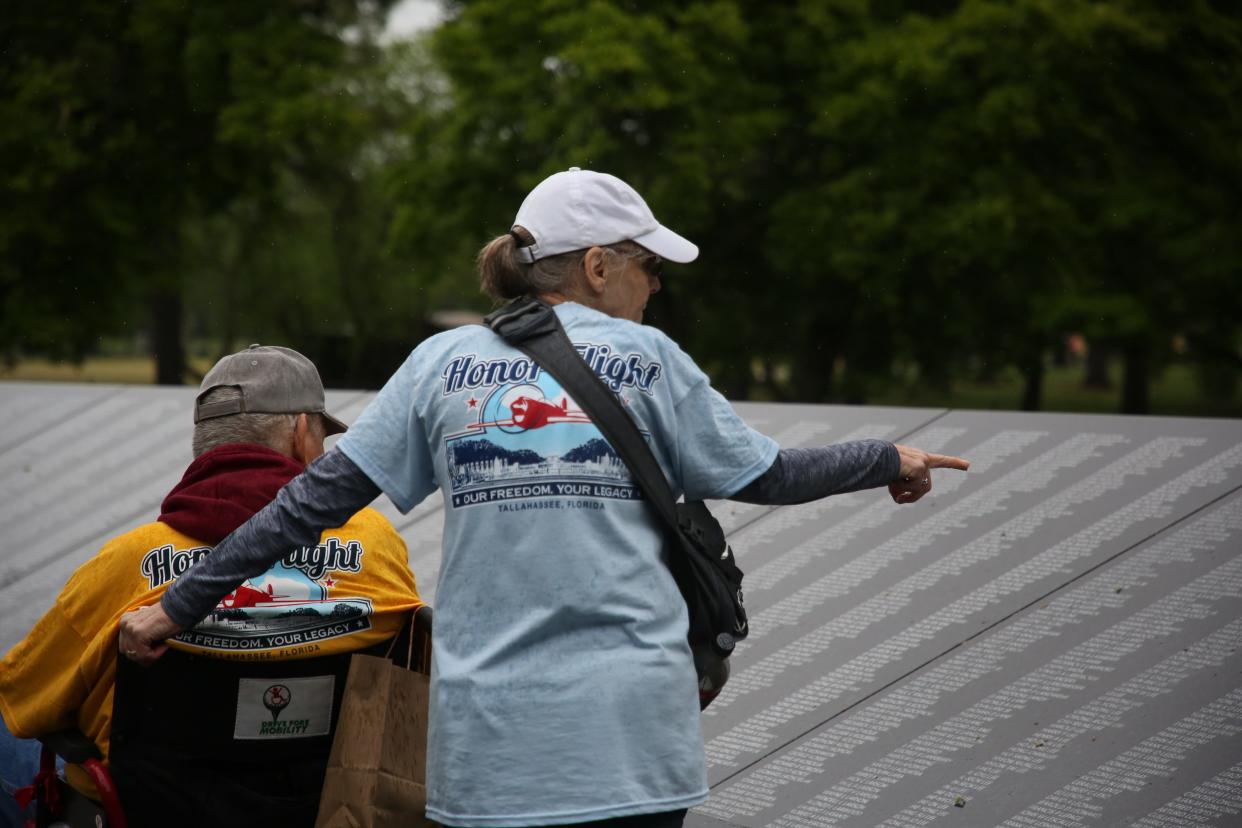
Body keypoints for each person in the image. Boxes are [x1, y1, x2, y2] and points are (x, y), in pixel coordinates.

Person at [119, 169, 969, 828]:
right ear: (598, 267)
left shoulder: (438, 366)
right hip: (634, 744)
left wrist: (176, 608)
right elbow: (767, 477)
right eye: (646, 266)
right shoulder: (653, 362)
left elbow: (310, 504)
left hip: (492, 753)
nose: (656, 288)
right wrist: (886, 457)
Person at [0, 345, 424, 826]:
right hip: (319, 807)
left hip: (153, 811)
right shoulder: (377, 546)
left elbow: (27, 699)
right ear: (303, 433)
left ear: (206, 444)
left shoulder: (123, 564)